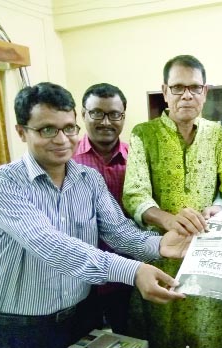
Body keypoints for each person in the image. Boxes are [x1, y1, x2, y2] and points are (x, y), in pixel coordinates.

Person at [0, 82, 194, 348]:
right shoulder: (1, 184)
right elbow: (50, 244)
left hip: (82, 318)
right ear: (21, 132)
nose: (62, 139)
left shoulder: (89, 180)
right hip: (18, 329)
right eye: (47, 130)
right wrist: (132, 271)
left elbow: (119, 231)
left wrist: (159, 244)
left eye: (68, 128)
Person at [122, 54, 222, 348]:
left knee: (211, 333)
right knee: (162, 332)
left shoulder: (216, 133)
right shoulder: (144, 133)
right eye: (178, 88)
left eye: (194, 88)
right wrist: (167, 219)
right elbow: (135, 194)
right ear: (165, 92)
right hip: (160, 252)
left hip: (207, 254)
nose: (186, 95)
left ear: (204, 92)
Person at [72, 83, 132, 334]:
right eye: (97, 113)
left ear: (123, 116)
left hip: (126, 272)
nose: (106, 122)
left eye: (114, 114)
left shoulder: (136, 158)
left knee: (129, 335)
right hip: (79, 275)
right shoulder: (67, 158)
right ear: (83, 115)